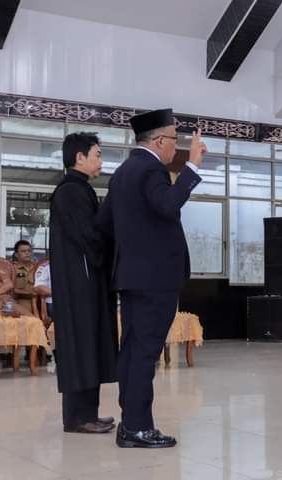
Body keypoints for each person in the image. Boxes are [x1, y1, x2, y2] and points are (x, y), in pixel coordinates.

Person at [97, 109, 205, 448]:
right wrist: (193, 167)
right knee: (145, 353)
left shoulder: (123, 172)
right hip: (154, 277)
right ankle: (137, 427)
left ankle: (131, 421)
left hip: (131, 276)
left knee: (132, 351)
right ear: (159, 141)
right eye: (175, 141)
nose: (177, 148)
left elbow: (103, 224)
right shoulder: (151, 168)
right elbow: (168, 205)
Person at [49, 132, 118, 434]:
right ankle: (78, 418)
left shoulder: (79, 189)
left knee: (88, 346)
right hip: (79, 285)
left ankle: (88, 413)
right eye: (98, 154)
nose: (101, 160)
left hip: (84, 282)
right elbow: (89, 236)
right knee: (81, 347)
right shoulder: (70, 192)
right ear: (80, 157)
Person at [12, 240, 37, 313]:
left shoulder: (38, 267)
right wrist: (29, 293)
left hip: (40, 306)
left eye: (29, 251)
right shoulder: (12, 269)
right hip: (20, 307)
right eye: (23, 251)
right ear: (16, 254)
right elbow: (9, 290)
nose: (27, 253)